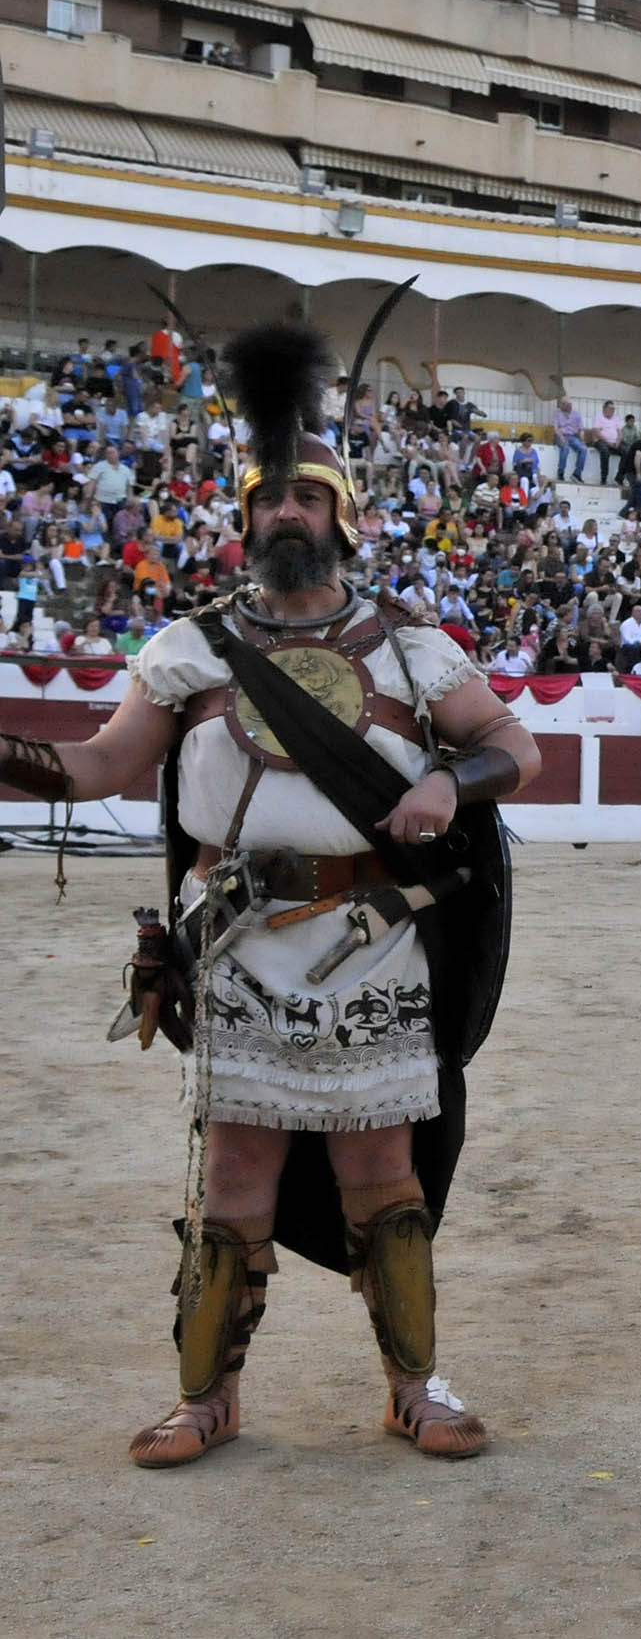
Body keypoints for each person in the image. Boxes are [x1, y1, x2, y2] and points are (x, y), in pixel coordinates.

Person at [1, 322, 539, 1467]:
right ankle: (205, 1395)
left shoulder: (409, 648)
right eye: (269, 499)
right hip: (238, 943)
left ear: (343, 517)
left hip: (371, 937)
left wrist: (448, 775)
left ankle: (414, 1385)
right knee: (233, 1172)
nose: (288, 513)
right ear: (243, 521)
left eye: (309, 496)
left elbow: (512, 748)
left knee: (381, 1172)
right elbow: (98, 763)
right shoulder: (189, 650)